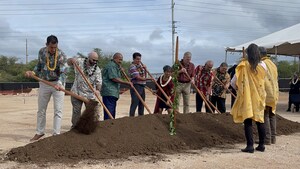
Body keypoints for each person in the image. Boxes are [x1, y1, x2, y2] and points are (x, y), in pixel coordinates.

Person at [25, 35, 67, 141]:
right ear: (46, 45)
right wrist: (33, 72)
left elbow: (63, 71)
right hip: (44, 83)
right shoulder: (41, 52)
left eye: (55, 47)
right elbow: (38, 65)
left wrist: (59, 83)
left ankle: (56, 134)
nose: (53, 50)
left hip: (58, 83)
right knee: (41, 109)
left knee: (58, 110)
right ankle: (40, 132)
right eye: (51, 47)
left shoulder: (61, 54)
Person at [231, 43, 267, 153]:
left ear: (247, 53)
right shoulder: (263, 66)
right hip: (259, 96)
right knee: (260, 120)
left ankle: (250, 146)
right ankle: (261, 145)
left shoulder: (243, 65)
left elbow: (233, 82)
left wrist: (239, 88)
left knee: (248, 120)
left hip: (247, 96)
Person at [67, 51, 102, 127]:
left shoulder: (97, 70)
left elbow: (99, 82)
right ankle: (75, 128)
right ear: (88, 57)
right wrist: (71, 60)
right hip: (76, 92)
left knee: (92, 111)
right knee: (76, 111)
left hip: (89, 95)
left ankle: (91, 127)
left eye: (96, 60)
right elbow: (68, 62)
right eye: (93, 60)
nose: (95, 62)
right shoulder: (79, 61)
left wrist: (98, 90)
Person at [101, 52, 132, 120]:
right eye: (119, 59)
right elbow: (113, 78)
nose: (121, 61)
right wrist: (126, 83)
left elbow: (116, 76)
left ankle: (111, 125)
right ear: (114, 58)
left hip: (113, 92)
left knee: (111, 112)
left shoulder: (115, 66)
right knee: (109, 112)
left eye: (121, 60)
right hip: (109, 92)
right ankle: (108, 126)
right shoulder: (111, 66)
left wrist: (120, 70)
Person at [259, 47, 279, 145]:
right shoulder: (272, 64)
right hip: (274, 92)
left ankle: (267, 139)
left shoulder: (262, 64)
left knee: (265, 115)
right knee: (272, 115)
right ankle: (273, 138)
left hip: (266, 92)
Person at [128, 52, 151, 117]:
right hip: (136, 86)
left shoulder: (140, 66)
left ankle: (141, 117)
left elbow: (144, 76)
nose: (139, 61)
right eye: (137, 59)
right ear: (133, 59)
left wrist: (145, 69)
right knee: (135, 102)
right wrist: (148, 79)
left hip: (142, 86)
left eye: (140, 59)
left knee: (142, 103)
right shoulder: (132, 67)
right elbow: (138, 78)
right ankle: (131, 117)